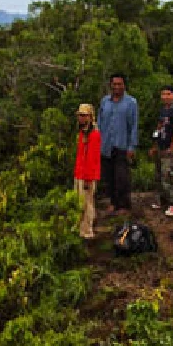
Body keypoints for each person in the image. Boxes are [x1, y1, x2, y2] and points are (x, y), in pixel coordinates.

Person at [97, 73, 138, 214]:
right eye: (114, 84)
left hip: (122, 145)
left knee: (122, 177)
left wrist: (132, 146)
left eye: (119, 84)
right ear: (111, 85)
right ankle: (113, 203)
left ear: (124, 85)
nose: (117, 87)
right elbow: (100, 122)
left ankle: (124, 205)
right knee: (109, 177)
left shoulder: (131, 103)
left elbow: (133, 125)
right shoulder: (105, 101)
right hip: (106, 145)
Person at [150, 85, 173, 217]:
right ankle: (163, 200)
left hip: (170, 147)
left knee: (169, 175)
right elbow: (159, 127)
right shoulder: (163, 110)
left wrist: (172, 147)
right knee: (159, 175)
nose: (165, 97)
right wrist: (154, 145)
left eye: (168, 94)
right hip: (161, 145)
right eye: (163, 94)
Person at [73, 103, 101, 239]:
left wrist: (87, 178)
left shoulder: (94, 135)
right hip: (79, 173)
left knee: (87, 203)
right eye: (80, 115)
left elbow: (92, 159)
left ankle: (87, 230)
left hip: (87, 175)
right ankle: (80, 227)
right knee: (80, 202)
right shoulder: (82, 133)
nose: (81, 118)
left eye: (84, 115)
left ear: (90, 117)